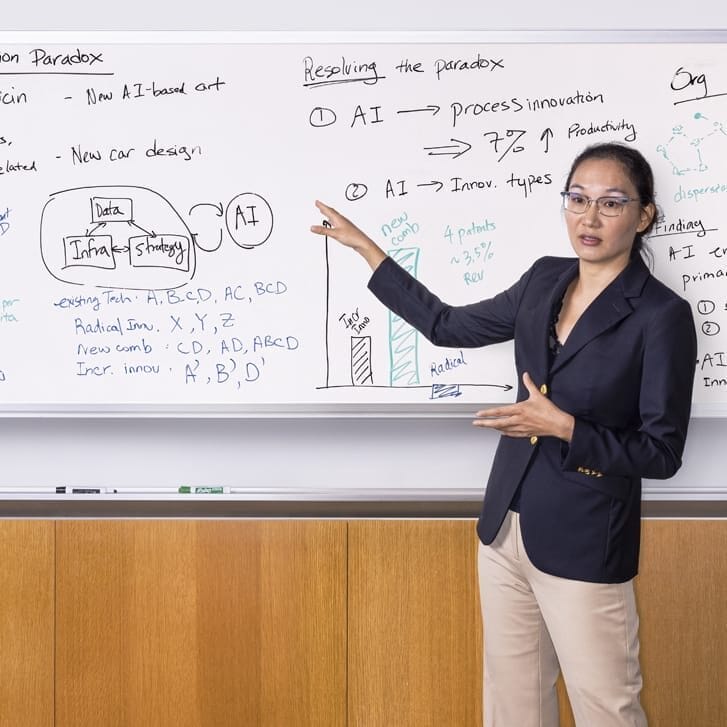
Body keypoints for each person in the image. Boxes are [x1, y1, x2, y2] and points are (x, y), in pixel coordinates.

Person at [311, 142, 697, 727]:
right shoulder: (545, 279)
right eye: (578, 199)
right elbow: (446, 326)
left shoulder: (660, 315)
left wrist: (563, 426)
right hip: (505, 527)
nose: (589, 219)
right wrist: (369, 251)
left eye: (611, 204)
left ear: (643, 216)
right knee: (513, 707)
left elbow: (662, 452)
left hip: (587, 535)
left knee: (607, 710)